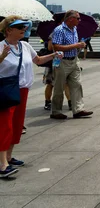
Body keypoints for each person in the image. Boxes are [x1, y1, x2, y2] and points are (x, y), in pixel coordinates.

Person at [0, 17, 57, 177]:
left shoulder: (25, 45)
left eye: (24, 27)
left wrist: (53, 55)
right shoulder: (1, 47)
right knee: (5, 125)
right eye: (19, 27)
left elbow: (37, 60)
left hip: (23, 89)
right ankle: (3, 164)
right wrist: (2, 56)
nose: (23, 29)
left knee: (17, 125)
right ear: (8, 30)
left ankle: (9, 157)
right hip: (6, 90)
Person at [50, 10, 93, 120]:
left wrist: (79, 46)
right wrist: (75, 45)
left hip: (74, 60)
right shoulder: (59, 30)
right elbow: (56, 46)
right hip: (62, 61)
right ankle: (56, 111)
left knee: (77, 85)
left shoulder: (74, 29)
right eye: (77, 18)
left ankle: (78, 109)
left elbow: (73, 44)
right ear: (70, 19)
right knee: (59, 87)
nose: (79, 20)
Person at [43, 17, 70, 111]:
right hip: (54, 60)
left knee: (66, 82)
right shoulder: (54, 33)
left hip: (66, 61)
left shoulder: (70, 33)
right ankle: (47, 101)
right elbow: (50, 48)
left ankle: (70, 102)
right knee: (50, 83)